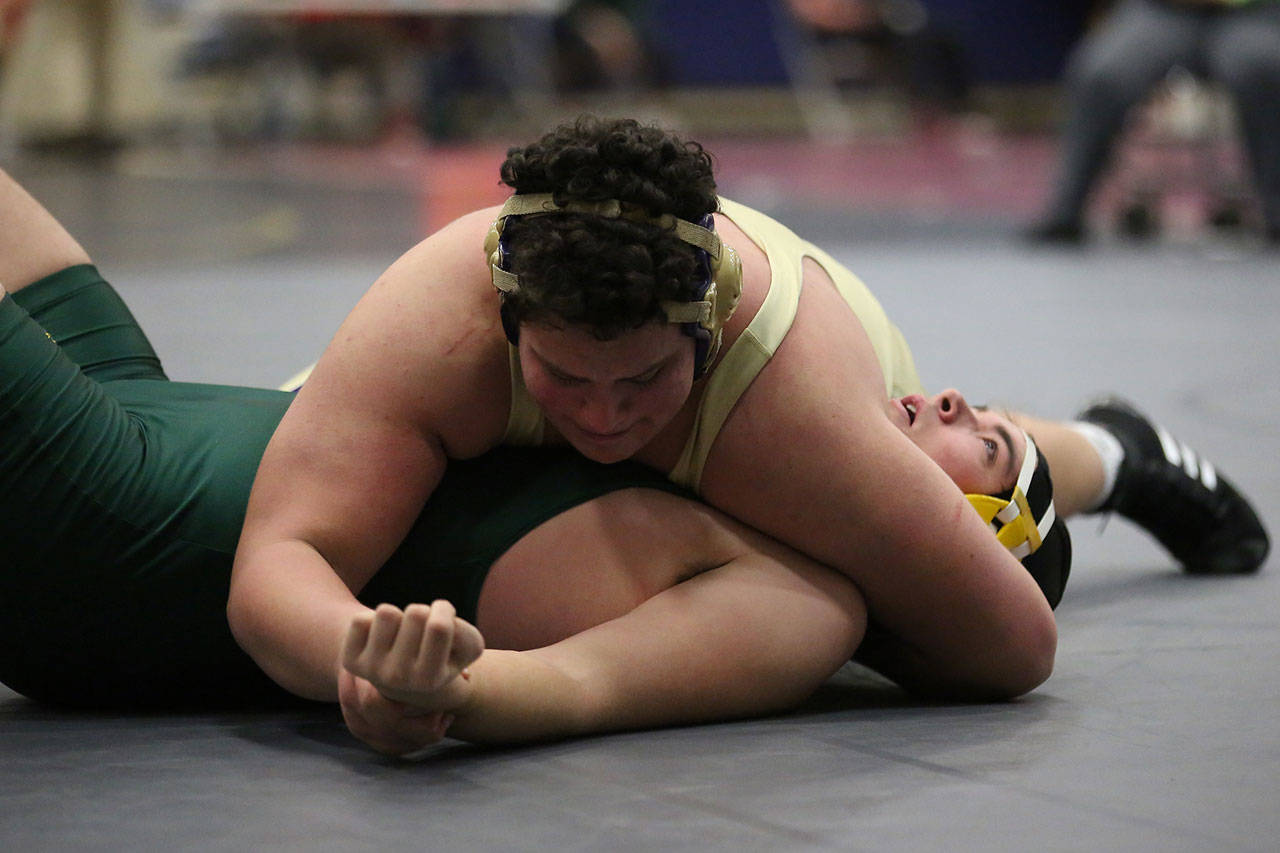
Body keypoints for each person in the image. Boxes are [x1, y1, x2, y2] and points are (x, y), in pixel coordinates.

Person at [231, 115, 1269, 717]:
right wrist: (361, 669)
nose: (601, 415)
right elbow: (282, 556)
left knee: (986, 480)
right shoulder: (438, 321)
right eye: (561, 375)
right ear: (510, 318)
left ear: (705, 329)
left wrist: (839, 596)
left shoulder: (793, 410)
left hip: (837, 415)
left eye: (639, 382)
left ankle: (1110, 451)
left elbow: (1012, 649)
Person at [0, 160, 1041, 753]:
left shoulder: (799, 580)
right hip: (147, 404)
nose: (601, 418)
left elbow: (565, 686)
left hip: (109, 519)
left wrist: (413, 685)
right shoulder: (488, 295)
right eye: (564, 378)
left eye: (978, 452)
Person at [1027, 0, 1280, 244]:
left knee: (1264, 69)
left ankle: (1276, 213)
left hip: (1254, 16)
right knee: (1100, 73)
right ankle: (1064, 213)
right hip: (1161, 12)